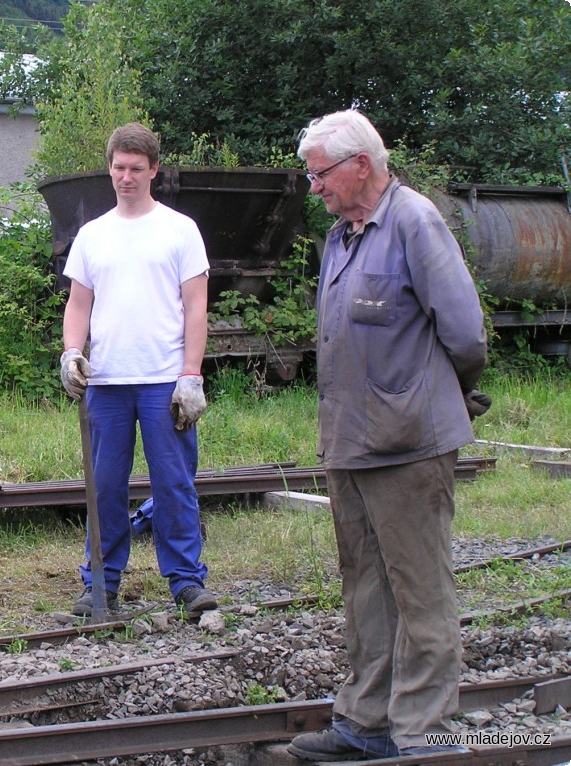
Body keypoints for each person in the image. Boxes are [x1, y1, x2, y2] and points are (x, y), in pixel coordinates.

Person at [288, 110, 489, 760]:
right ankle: (365, 723)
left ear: (361, 167)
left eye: (320, 174)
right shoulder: (341, 239)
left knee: (420, 592)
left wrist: (431, 399)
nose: (313, 186)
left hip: (409, 445)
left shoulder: (413, 221)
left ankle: (424, 737)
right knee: (365, 589)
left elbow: (464, 335)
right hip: (350, 443)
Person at [59, 122, 217, 619]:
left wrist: (190, 374)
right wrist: (71, 353)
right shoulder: (92, 235)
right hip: (105, 381)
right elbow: (78, 304)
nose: (126, 177)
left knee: (173, 483)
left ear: (153, 171)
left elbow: (196, 307)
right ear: (110, 169)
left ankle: (187, 583)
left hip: (163, 381)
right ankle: (100, 585)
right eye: (118, 168)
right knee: (104, 486)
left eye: (136, 169)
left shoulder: (179, 230)